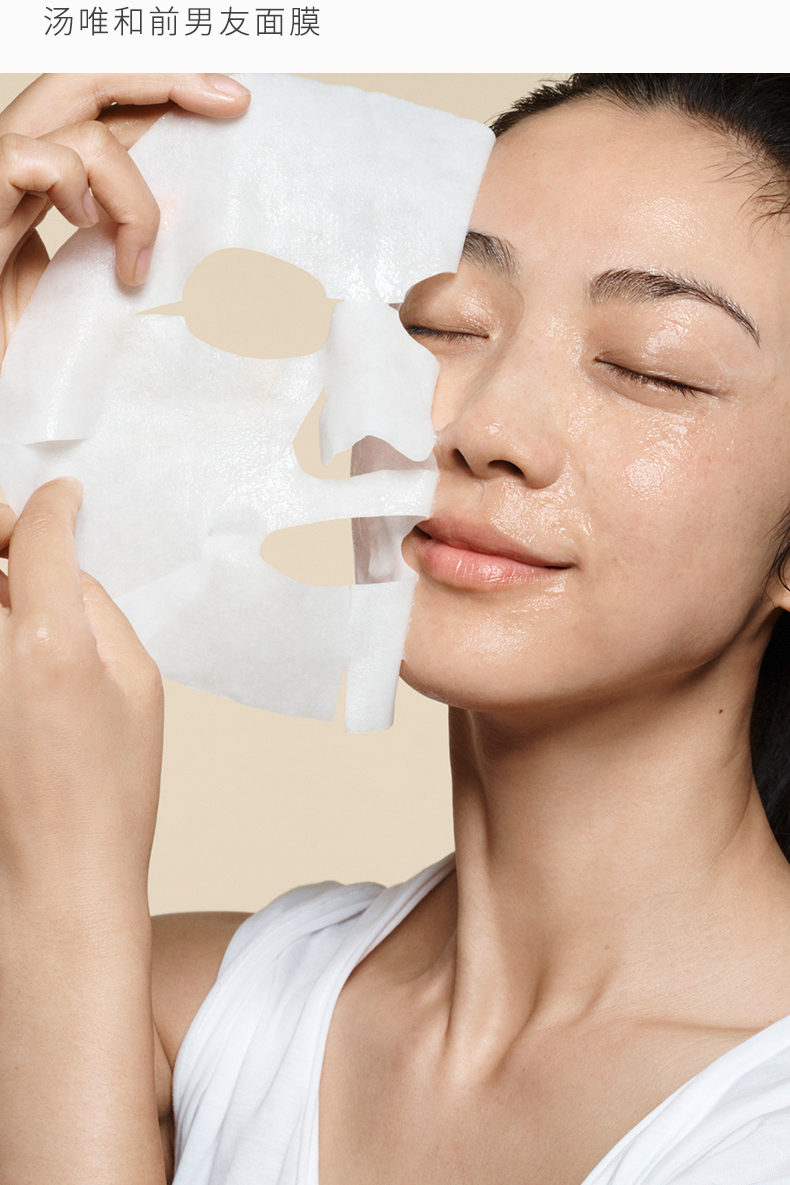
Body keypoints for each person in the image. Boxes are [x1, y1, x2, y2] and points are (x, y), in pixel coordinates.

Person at [2, 72, 790, 1185]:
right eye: (443, 323)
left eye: (646, 366)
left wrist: (67, 873)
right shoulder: (194, 1008)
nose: (484, 424)